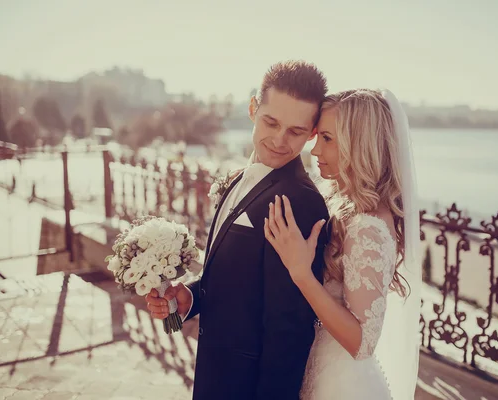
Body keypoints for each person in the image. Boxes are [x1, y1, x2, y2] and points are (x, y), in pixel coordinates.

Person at [145, 60, 330, 400]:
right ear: (252, 108)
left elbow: (289, 331)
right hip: (216, 375)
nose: (279, 140)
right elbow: (240, 283)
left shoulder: (300, 202)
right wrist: (190, 297)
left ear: (313, 133)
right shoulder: (240, 178)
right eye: (271, 122)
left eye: (296, 131)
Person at [264, 89, 422, 399]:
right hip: (318, 368)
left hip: (341, 386)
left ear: (358, 145)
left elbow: (361, 342)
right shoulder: (343, 204)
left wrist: (300, 273)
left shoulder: (368, 227)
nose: (314, 150)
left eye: (327, 139)